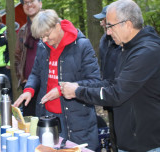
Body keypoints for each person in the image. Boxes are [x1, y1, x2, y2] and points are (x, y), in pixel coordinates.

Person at [61, 0, 160, 152]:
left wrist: (77, 92)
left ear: (127, 24)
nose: (107, 32)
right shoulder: (126, 48)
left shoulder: (146, 52)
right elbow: (111, 83)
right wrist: (79, 86)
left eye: (110, 26)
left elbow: (116, 93)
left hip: (146, 144)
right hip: (129, 141)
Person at [14, 9, 101, 151]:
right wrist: (29, 90)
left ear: (57, 26)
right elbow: (35, 73)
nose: (44, 40)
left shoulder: (81, 46)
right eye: (41, 37)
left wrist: (62, 89)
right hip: (48, 117)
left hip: (76, 118)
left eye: (47, 35)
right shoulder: (43, 46)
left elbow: (95, 82)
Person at [94, 5, 121, 152]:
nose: (101, 23)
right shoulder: (104, 40)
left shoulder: (122, 42)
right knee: (113, 131)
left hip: (121, 93)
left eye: (103, 20)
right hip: (108, 93)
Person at [15, 0, 42, 116]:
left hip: (49, 82)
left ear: (40, 4)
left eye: (32, 1)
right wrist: (22, 77)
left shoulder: (53, 24)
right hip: (29, 83)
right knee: (30, 119)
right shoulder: (23, 30)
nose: (29, 4)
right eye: (25, 3)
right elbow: (17, 56)